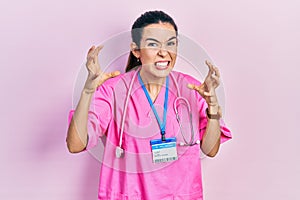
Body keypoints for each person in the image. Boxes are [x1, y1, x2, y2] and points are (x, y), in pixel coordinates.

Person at [67, 10, 232, 200]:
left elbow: (210, 150)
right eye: (153, 44)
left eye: (170, 43)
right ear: (136, 50)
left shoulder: (192, 88)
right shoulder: (114, 90)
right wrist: (88, 91)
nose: (164, 52)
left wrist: (212, 109)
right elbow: (75, 144)